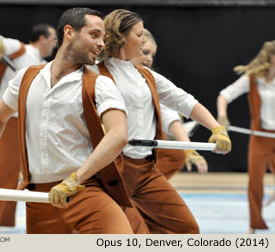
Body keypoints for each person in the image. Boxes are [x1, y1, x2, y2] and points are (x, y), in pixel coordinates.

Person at [0, 7, 134, 234]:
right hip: (40, 197)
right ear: (69, 32)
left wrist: (75, 180)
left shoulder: (101, 84)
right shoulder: (27, 77)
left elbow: (118, 135)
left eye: (103, 38)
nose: (101, 44)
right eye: (95, 35)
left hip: (83, 189)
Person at [88, 9, 231, 234]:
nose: (144, 39)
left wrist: (216, 128)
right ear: (121, 37)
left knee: (185, 229)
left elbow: (184, 101)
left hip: (145, 169)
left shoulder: (145, 74)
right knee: (118, 234)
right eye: (139, 34)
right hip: (109, 169)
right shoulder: (91, 72)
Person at [0, 23, 58, 233]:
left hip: (32, 122)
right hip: (10, 120)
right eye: (53, 39)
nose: (55, 44)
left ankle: (53, 219)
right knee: (6, 171)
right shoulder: (22, 49)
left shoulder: (44, 64)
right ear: (42, 38)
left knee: (41, 170)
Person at [131, 28, 208, 178]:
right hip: (106, 148)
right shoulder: (100, 72)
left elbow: (172, 112)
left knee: (175, 154)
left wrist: (188, 149)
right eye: (145, 52)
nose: (149, 59)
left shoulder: (151, 79)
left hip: (134, 148)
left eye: (152, 55)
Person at [216, 40, 275, 234]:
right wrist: (222, 116)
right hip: (260, 136)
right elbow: (224, 95)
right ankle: (254, 223)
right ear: (270, 57)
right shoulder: (253, 78)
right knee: (255, 182)